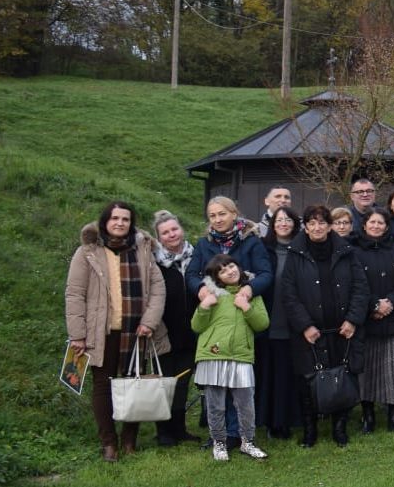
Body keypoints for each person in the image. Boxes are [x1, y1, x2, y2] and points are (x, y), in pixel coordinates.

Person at [64, 202, 168, 461]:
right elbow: (75, 294)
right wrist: (78, 333)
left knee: (134, 382)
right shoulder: (87, 252)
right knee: (103, 386)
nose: (120, 223)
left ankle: (129, 440)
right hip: (102, 331)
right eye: (115, 218)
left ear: (131, 223)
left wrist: (149, 322)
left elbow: (157, 288)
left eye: (125, 219)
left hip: (137, 330)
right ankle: (108, 443)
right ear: (105, 221)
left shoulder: (142, 249)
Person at [186, 196, 273, 445]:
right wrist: (200, 290)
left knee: (239, 381)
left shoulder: (251, 242)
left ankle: (238, 433)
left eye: (222, 214)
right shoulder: (204, 244)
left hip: (242, 318)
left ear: (234, 214)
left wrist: (250, 289)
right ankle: (219, 434)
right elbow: (192, 273)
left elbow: (266, 273)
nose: (217, 219)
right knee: (216, 381)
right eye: (212, 215)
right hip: (215, 320)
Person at [283, 204, 370, 448]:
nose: (317, 227)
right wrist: (305, 326)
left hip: (342, 329)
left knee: (341, 377)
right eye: (312, 223)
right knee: (308, 381)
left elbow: (360, 289)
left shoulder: (346, 251)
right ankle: (310, 431)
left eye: (322, 223)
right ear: (306, 227)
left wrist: (352, 319)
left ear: (330, 226)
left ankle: (339, 428)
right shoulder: (295, 253)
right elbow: (289, 295)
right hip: (310, 332)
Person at [192, 254, 270, 460]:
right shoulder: (212, 295)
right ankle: (219, 443)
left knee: (246, 404)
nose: (230, 271)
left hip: (241, 356)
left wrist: (246, 307)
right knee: (215, 404)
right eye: (223, 270)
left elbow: (262, 323)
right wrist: (204, 306)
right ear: (217, 277)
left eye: (232, 266)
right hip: (212, 355)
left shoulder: (252, 294)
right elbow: (196, 326)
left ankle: (248, 442)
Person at [353, 207, 394, 433]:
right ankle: (368, 415)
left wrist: (390, 303)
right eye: (372, 222)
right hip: (367, 318)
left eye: (380, 223)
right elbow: (355, 283)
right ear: (365, 225)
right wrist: (374, 305)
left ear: (387, 227)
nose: (376, 226)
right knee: (366, 370)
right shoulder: (355, 251)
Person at [150, 210, 199, 446]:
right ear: (159, 237)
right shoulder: (155, 263)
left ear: (181, 229)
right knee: (164, 382)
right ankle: (163, 432)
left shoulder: (196, 257)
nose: (172, 235)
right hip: (164, 332)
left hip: (191, 332)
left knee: (182, 382)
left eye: (174, 229)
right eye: (165, 232)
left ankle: (179, 428)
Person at [257, 205, 302, 439]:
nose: (283, 223)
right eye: (279, 220)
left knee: (289, 373)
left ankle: (288, 420)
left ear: (295, 223)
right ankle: (269, 421)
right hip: (268, 319)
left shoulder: (302, 249)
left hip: (294, 322)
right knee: (269, 373)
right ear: (272, 225)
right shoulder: (264, 249)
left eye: (288, 220)